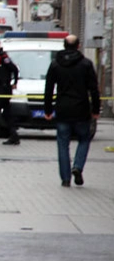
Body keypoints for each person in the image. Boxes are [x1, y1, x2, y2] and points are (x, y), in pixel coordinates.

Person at [44, 35, 100, 187]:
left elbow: (49, 89)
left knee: (63, 143)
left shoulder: (55, 64)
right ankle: (78, 166)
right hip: (82, 109)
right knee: (84, 139)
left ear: (64, 45)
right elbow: (94, 89)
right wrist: (96, 109)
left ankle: (65, 178)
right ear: (78, 45)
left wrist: (48, 109)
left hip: (62, 109)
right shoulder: (86, 64)